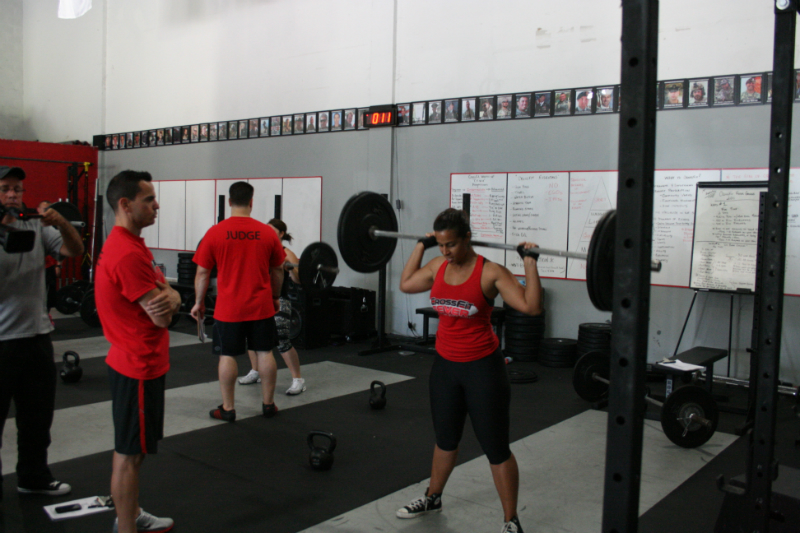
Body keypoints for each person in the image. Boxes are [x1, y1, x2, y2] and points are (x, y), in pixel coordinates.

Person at [396, 208, 542, 533]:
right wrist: (421, 246)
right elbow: (406, 284)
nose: (445, 252)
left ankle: (511, 520)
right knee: (445, 440)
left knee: (495, 446)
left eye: (451, 245)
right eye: (440, 245)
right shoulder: (437, 266)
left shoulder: (490, 272)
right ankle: (433, 497)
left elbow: (532, 306)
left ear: (467, 239)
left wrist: (530, 262)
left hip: (483, 370)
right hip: (446, 369)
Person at [95, 170, 180, 533]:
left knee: (131, 449)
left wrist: (170, 295)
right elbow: (163, 315)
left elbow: (163, 292)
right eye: (149, 199)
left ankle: (129, 515)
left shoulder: (130, 243)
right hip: (137, 366)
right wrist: (175, 296)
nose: (156, 205)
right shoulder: (127, 253)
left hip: (133, 361)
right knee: (130, 455)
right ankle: (127, 527)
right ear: (126, 205)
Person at [1, 167, 83, 502]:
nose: (12, 196)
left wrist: (61, 223)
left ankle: (33, 476)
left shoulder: (34, 223)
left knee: (37, 417)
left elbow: (74, 251)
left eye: (17, 189)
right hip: (1, 341)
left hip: (36, 336)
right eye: (5, 189)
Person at [192, 181, 285, 422]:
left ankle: (228, 408)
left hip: (228, 308)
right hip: (261, 306)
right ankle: (268, 404)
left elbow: (202, 273)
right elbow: (278, 271)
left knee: (228, 356)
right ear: (252, 202)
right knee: (265, 353)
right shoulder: (267, 233)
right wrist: (275, 297)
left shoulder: (215, 232)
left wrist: (199, 302)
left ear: (230, 201)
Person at [239, 219, 306, 396]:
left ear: (281, 233)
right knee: (251, 337)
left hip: (280, 299)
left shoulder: (286, 253)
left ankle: (298, 379)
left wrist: (290, 268)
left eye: (272, 230)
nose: (267, 232)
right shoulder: (262, 249)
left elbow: (298, 280)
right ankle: (255, 371)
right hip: (258, 298)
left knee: (282, 340)